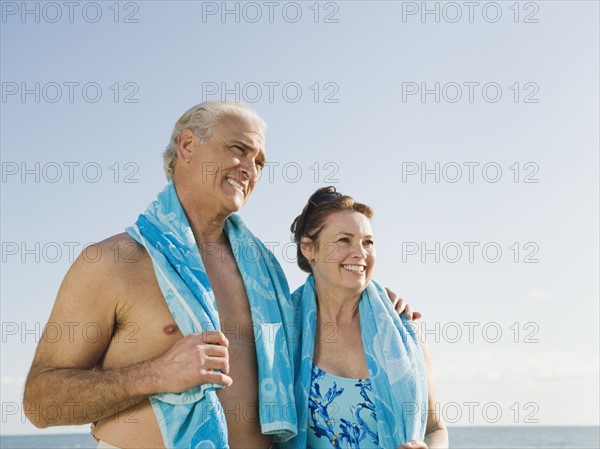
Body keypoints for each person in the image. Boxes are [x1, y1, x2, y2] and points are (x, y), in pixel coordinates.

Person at [22, 101, 413, 449]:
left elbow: (318, 322)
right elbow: (40, 402)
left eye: (259, 161)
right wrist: (155, 374)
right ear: (188, 146)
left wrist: (376, 306)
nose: (249, 168)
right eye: (238, 149)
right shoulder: (115, 261)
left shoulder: (264, 272)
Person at [282, 187, 448, 449]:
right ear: (308, 248)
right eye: (344, 240)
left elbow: (435, 428)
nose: (360, 253)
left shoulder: (405, 329)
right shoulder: (282, 331)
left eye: (368, 242)